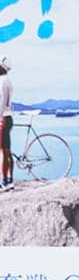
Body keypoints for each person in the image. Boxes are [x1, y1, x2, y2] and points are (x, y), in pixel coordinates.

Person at [0, 56, 14, 191]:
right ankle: (10, 180)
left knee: (3, 152)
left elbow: (2, 102)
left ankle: (4, 182)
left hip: (3, 118)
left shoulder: (2, 81)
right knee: (7, 150)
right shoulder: (7, 80)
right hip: (8, 117)